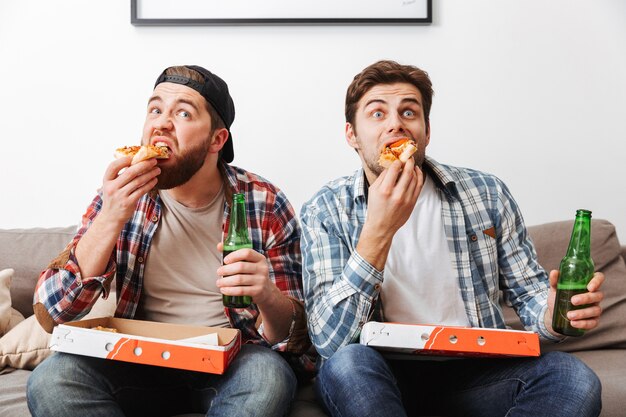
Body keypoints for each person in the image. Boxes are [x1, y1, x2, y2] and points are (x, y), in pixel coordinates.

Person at [299, 60, 604, 417]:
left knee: (573, 377)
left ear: (425, 131)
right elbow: (329, 342)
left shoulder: (486, 193)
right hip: (381, 373)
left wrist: (553, 313)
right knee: (347, 364)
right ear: (352, 135)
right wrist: (378, 232)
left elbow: (529, 294)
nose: (395, 123)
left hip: (477, 373)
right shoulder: (326, 208)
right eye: (377, 114)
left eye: (408, 112)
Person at [27, 65, 310, 417]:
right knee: (53, 378)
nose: (161, 123)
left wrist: (266, 293)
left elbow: (297, 338)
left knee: (269, 377)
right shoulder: (119, 194)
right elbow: (50, 314)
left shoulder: (264, 201)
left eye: (183, 113)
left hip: (233, 359)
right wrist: (111, 215)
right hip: (140, 357)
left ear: (216, 140)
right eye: (155, 109)